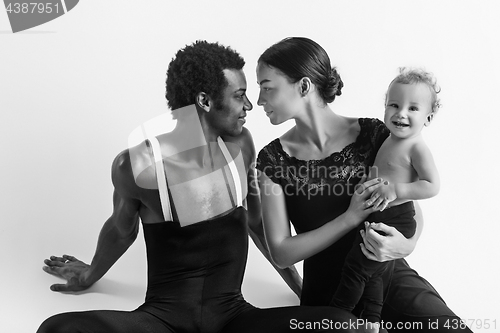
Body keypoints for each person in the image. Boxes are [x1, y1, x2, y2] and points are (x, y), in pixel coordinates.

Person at [37, 40, 364, 333]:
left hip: (235, 318)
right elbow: (122, 230)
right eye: (239, 96)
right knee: (57, 328)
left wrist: (299, 286)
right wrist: (88, 275)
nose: (249, 105)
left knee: (345, 326)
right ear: (205, 101)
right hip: (162, 320)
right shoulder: (137, 166)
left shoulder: (240, 146)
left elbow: (256, 222)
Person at [256, 37, 472, 333]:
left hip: (387, 273)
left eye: (267, 87)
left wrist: (404, 246)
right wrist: (350, 218)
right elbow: (281, 253)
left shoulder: (374, 133)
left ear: (304, 86)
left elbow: (411, 211)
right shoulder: (271, 160)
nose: (259, 100)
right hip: (332, 296)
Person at [329, 68, 441, 331]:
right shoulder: (387, 138)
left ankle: (336, 314)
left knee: (356, 267)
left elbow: (432, 186)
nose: (401, 113)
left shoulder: (417, 148)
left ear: (428, 117)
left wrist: (397, 191)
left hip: (396, 218)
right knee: (376, 272)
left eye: (413, 108)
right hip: (378, 214)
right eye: (394, 104)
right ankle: (372, 320)